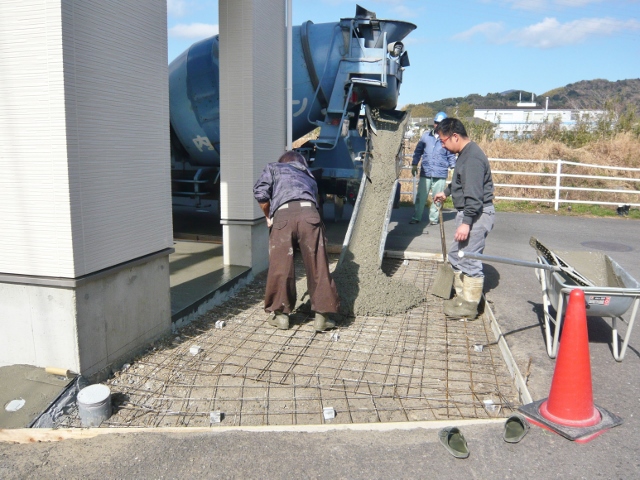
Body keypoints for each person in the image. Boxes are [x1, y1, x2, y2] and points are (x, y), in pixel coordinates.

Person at [253, 150, 340, 331]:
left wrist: (268, 215)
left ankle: (281, 316)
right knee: (318, 264)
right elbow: (316, 201)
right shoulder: (308, 175)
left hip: (283, 216)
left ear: (283, 162)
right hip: (310, 214)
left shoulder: (273, 168)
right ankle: (322, 317)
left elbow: (261, 194)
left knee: (281, 265)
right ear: (301, 164)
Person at [432, 117, 495, 320]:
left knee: (469, 259)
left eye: (443, 141)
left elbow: (474, 196)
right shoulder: (464, 155)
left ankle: (469, 306)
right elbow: (462, 181)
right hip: (470, 212)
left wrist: (466, 223)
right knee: (456, 255)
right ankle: (461, 297)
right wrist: (447, 191)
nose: (442, 145)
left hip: (476, 214)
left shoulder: (472, 159)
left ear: (455, 137)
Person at [409, 111, 457, 225]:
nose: (437, 125)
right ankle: (416, 217)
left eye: (440, 123)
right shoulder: (426, 136)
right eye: (436, 122)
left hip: (440, 173)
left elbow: (450, 154)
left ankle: (434, 219)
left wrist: (453, 167)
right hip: (426, 171)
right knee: (421, 197)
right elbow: (418, 151)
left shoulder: (448, 138)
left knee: (438, 198)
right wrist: (414, 163)